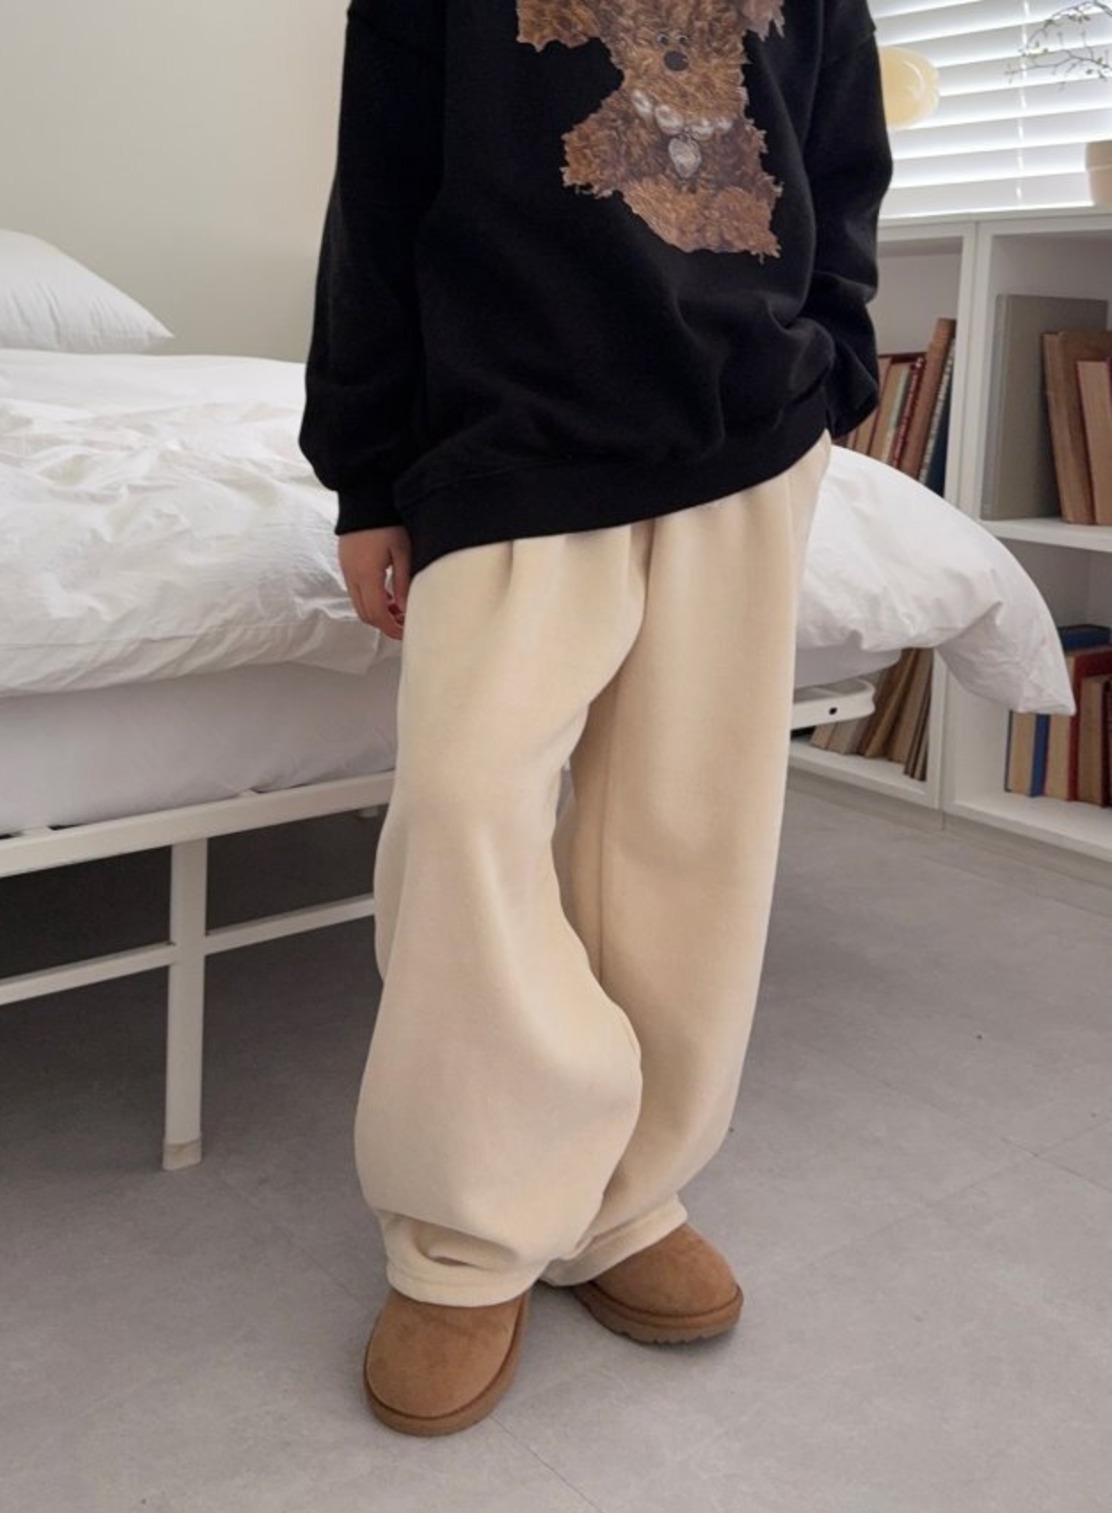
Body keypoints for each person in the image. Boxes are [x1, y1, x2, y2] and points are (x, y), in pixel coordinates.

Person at [298, 0, 893, 1437]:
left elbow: (840, 158)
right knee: (463, 811)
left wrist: (834, 365)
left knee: (685, 838)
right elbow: (379, 192)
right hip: (504, 435)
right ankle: (469, 1230)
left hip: (747, 429)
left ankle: (625, 1200)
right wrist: (366, 475)